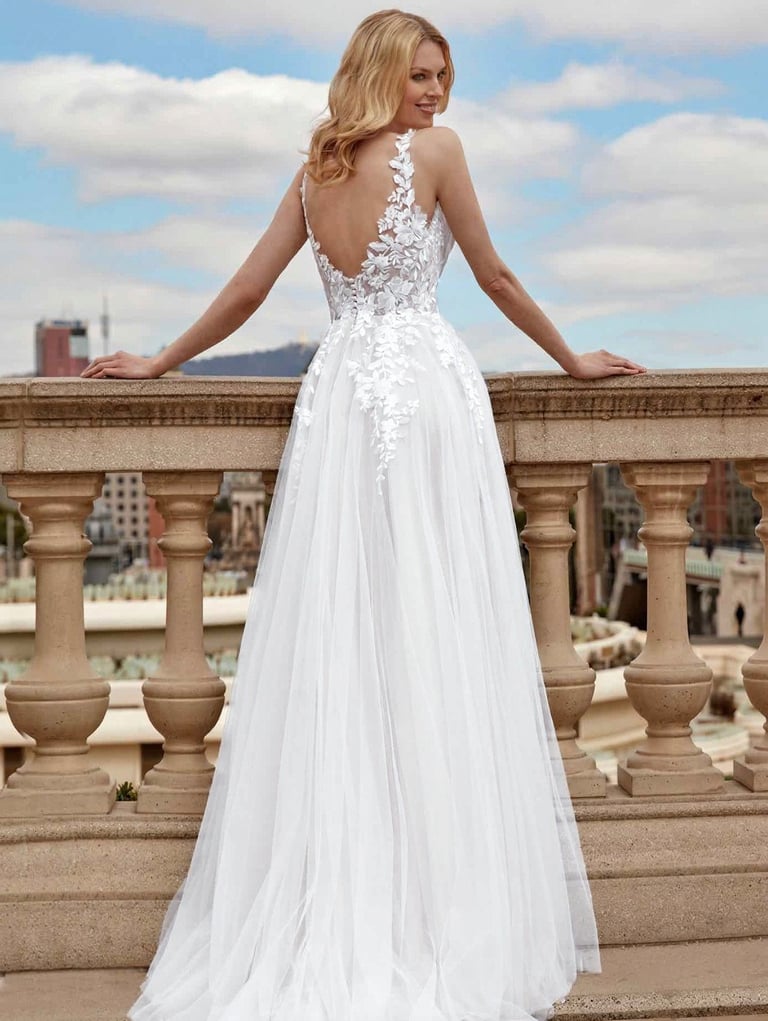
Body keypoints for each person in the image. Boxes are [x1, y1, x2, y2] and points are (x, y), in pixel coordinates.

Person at [83, 10, 646, 1020]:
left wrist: (164, 359)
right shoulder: (435, 155)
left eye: (445, 76)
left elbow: (251, 290)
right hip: (422, 396)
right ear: (384, 72)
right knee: (427, 624)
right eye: (423, 74)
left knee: (352, 631)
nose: (437, 93)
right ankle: (430, 902)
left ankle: (360, 883)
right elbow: (495, 272)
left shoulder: (316, 170)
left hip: (341, 399)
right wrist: (571, 357)